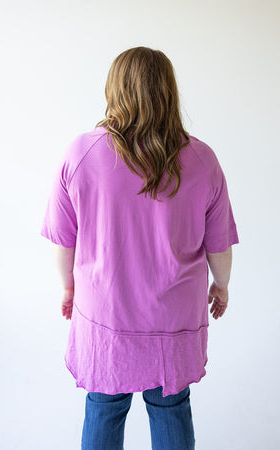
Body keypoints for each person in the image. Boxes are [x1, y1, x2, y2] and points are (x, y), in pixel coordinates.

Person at [40, 46, 239, 449]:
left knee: (103, 405)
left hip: (106, 315)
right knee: (170, 407)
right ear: (168, 92)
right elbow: (219, 243)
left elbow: (64, 240)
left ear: (115, 89)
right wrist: (221, 285)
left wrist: (66, 286)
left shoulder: (81, 153)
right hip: (173, 318)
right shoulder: (202, 159)